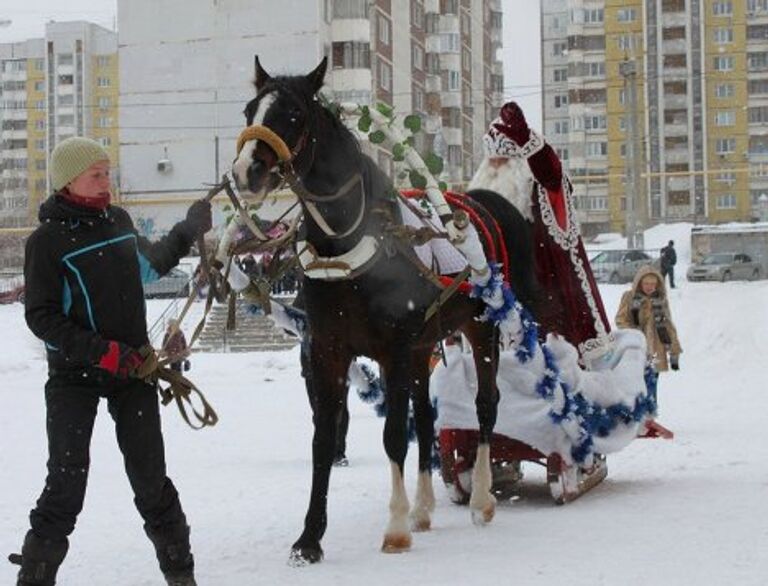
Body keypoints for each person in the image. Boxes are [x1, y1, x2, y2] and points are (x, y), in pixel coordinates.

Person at [13, 136, 211, 586]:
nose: (107, 181)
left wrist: (187, 229)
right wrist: (102, 352)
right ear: (68, 182)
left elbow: (152, 264)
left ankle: (182, 577)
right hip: (73, 378)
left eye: (108, 172)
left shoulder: (118, 221)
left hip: (132, 373)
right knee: (66, 485)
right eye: (96, 174)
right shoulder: (47, 242)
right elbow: (40, 316)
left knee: (151, 480)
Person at [468, 101, 613, 365]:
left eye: (503, 159)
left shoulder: (535, 188)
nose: (496, 165)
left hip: (540, 276)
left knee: (544, 340)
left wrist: (528, 140)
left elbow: (551, 172)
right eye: (492, 159)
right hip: (494, 279)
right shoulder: (478, 195)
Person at [615, 266, 682, 419]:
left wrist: (674, 350)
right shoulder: (629, 297)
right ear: (639, 283)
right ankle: (634, 415)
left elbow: (668, 325)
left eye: (653, 284)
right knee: (636, 382)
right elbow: (621, 319)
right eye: (646, 284)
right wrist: (635, 334)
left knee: (652, 380)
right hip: (636, 349)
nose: (650, 287)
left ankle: (649, 415)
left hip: (656, 350)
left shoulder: (660, 300)